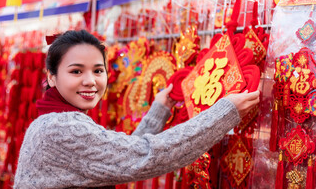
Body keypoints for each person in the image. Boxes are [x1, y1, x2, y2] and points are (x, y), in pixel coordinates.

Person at [14, 30, 260, 189]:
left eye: (98, 71)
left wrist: (159, 110)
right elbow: (144, 157)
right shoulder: (62, 128)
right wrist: (225, 112)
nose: (90, 81)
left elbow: (121, 158)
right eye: (76, 71)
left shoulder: (52, 122)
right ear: (52, 77)